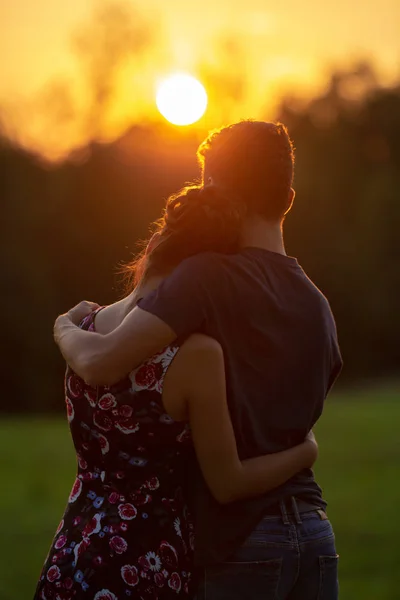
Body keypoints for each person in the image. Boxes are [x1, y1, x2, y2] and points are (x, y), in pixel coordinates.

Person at [54, 120, 343, 599]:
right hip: (316, 532)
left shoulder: (206, 278)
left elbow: (103, 362)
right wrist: (306, 450)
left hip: (241, 542)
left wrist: (65, 325)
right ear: (289, 197)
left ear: (217, 192)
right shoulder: (319, 307)